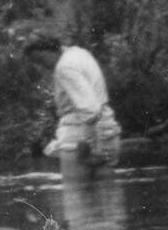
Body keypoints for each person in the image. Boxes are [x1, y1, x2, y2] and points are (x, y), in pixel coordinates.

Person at [26, 32, 122, 164]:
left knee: (74, 185)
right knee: (105, 183)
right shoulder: (79, 53)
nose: (41, 66)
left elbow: (90, 109)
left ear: (49, 50)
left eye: (41, 60)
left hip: (78, 134)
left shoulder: (64, 68)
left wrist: (89, 146)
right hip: (107, 126)